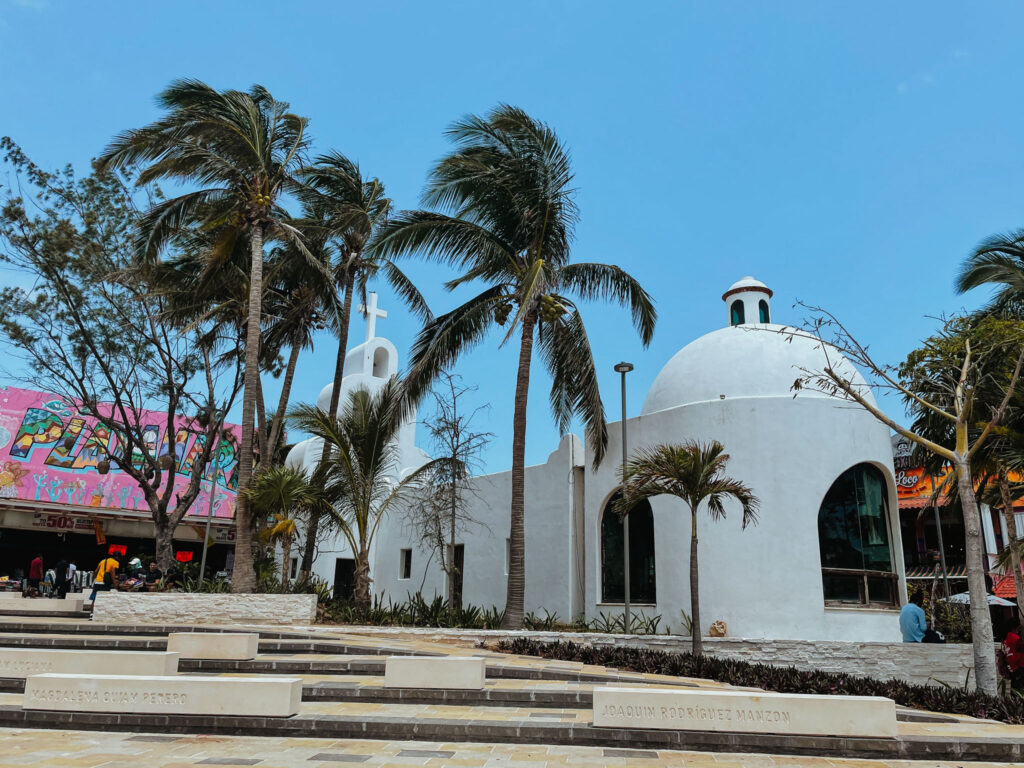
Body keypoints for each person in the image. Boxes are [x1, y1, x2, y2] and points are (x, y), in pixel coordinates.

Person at [1005, 623, 1024, 690]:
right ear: (1013, 628)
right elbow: (1021, 652)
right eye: (1018, 628)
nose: (1019, 631)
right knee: (1020, 689)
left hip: (1013, 667)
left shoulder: (1007, 638)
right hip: (1019, 667)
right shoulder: (1016, 638)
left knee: (1015, 688)